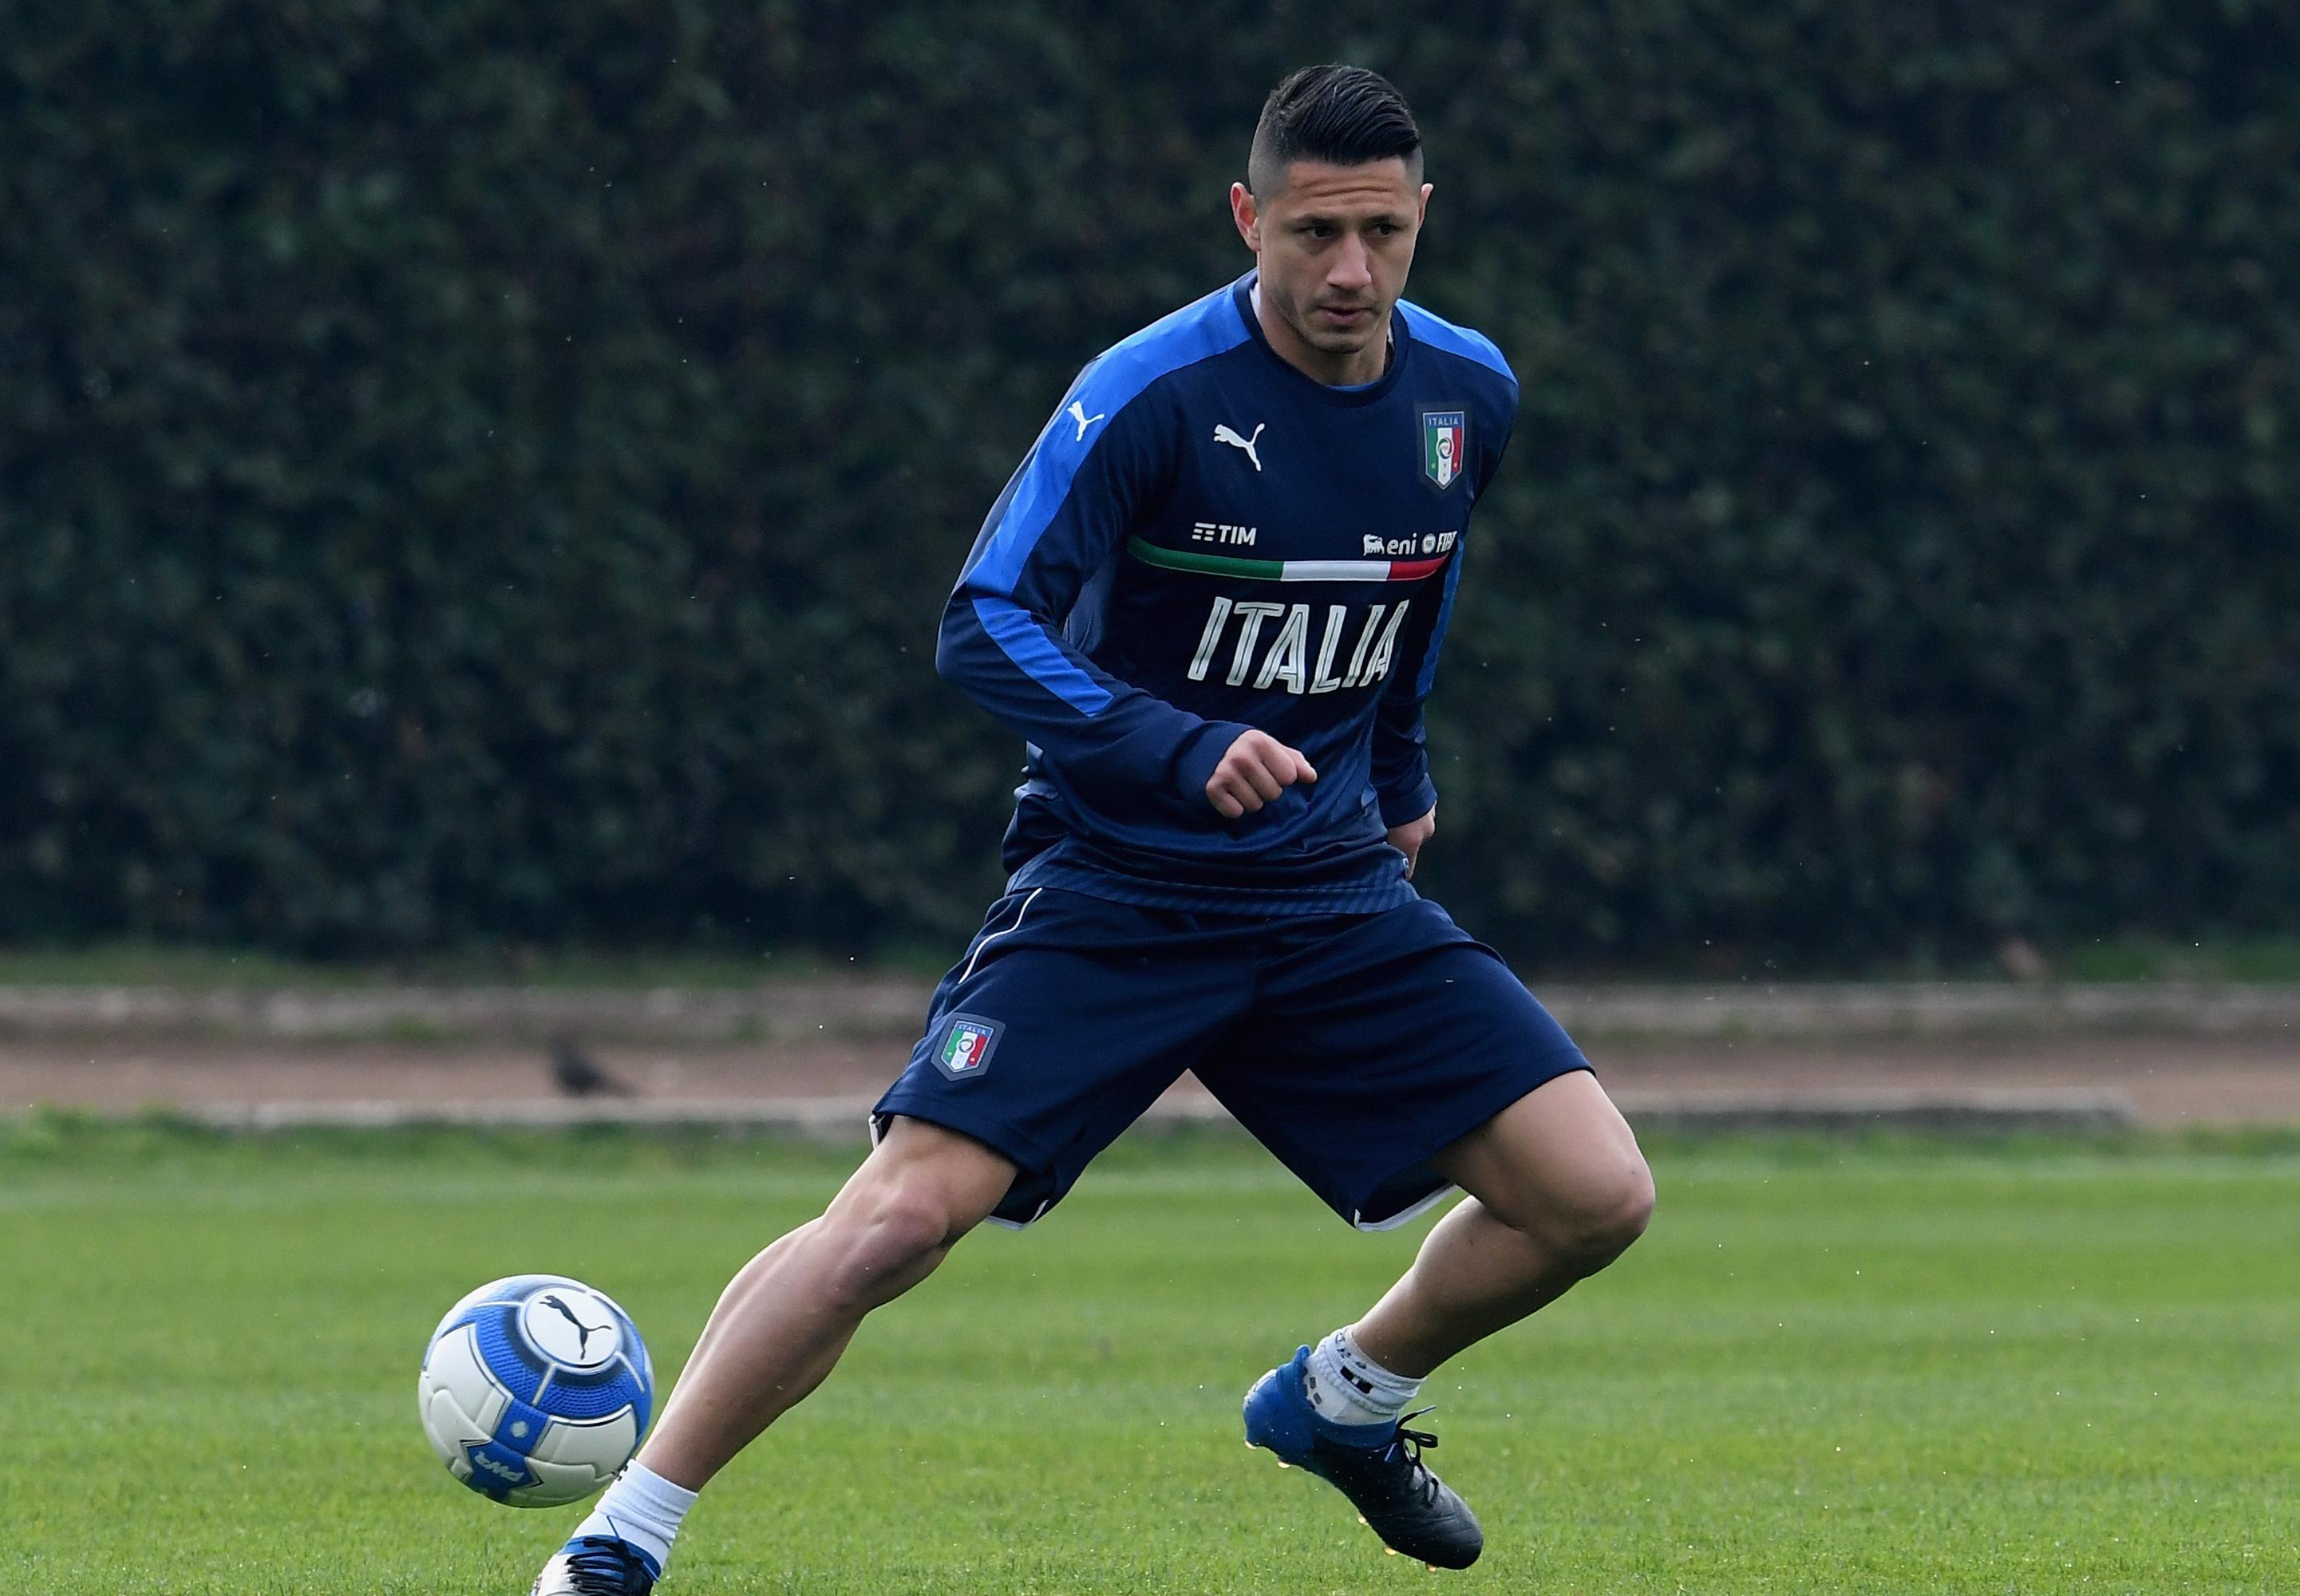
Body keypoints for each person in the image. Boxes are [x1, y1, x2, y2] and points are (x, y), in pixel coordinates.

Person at [532, 63, 1654, 1594]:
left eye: (1384, 235)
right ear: (1247, 217)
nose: (1350, 272)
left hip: (1326, 895)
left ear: (1424, 219)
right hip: (1119, 888)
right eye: (1315, 233)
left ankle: (1344, 1400)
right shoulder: (1153, 393)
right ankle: (623, 1538)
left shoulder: (1469, 395)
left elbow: (1414, 599)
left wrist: (1397, 775)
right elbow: (981, 621)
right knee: (895, 1227)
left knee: (1594, 1195)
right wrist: (1174, 747)